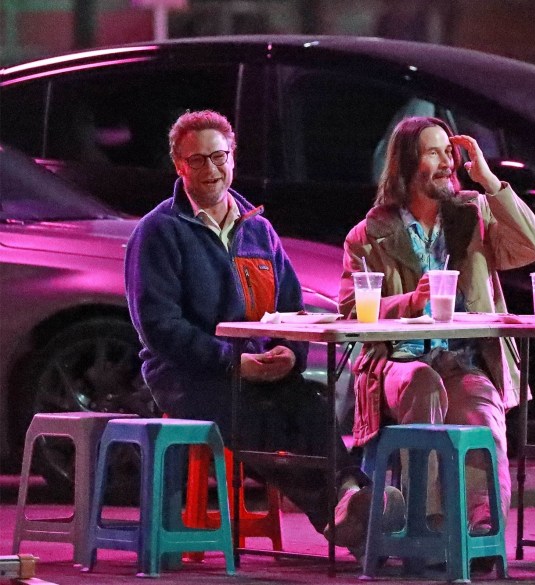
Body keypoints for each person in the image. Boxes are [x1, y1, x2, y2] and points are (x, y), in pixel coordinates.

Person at [124, 109, 402, 548]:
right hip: (190, 378)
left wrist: (290, 354)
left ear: (233, 157)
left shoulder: (259, 230)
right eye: (197, 160)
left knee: (311, 403)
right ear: (178, 165)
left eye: (219, 157)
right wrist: (235, 363)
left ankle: (350, 498)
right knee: (258, 417)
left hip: (260, 371)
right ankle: (343, 507)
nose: (211, 169)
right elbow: (160, 328)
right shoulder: (159, 232)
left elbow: (292, 310)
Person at [337, 116, 535, 552]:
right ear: (407, 165)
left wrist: (489, 180)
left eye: (448, 152)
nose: (446, 162)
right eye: (433, 152)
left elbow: (534, 245)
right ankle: (429, 527)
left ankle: (480, 534)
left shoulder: (474, 215)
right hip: (398, 362)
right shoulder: (369, 235)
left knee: (484, 412)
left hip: (462, 359)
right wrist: (409, 302)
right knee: (425, 386)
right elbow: (347, 310)